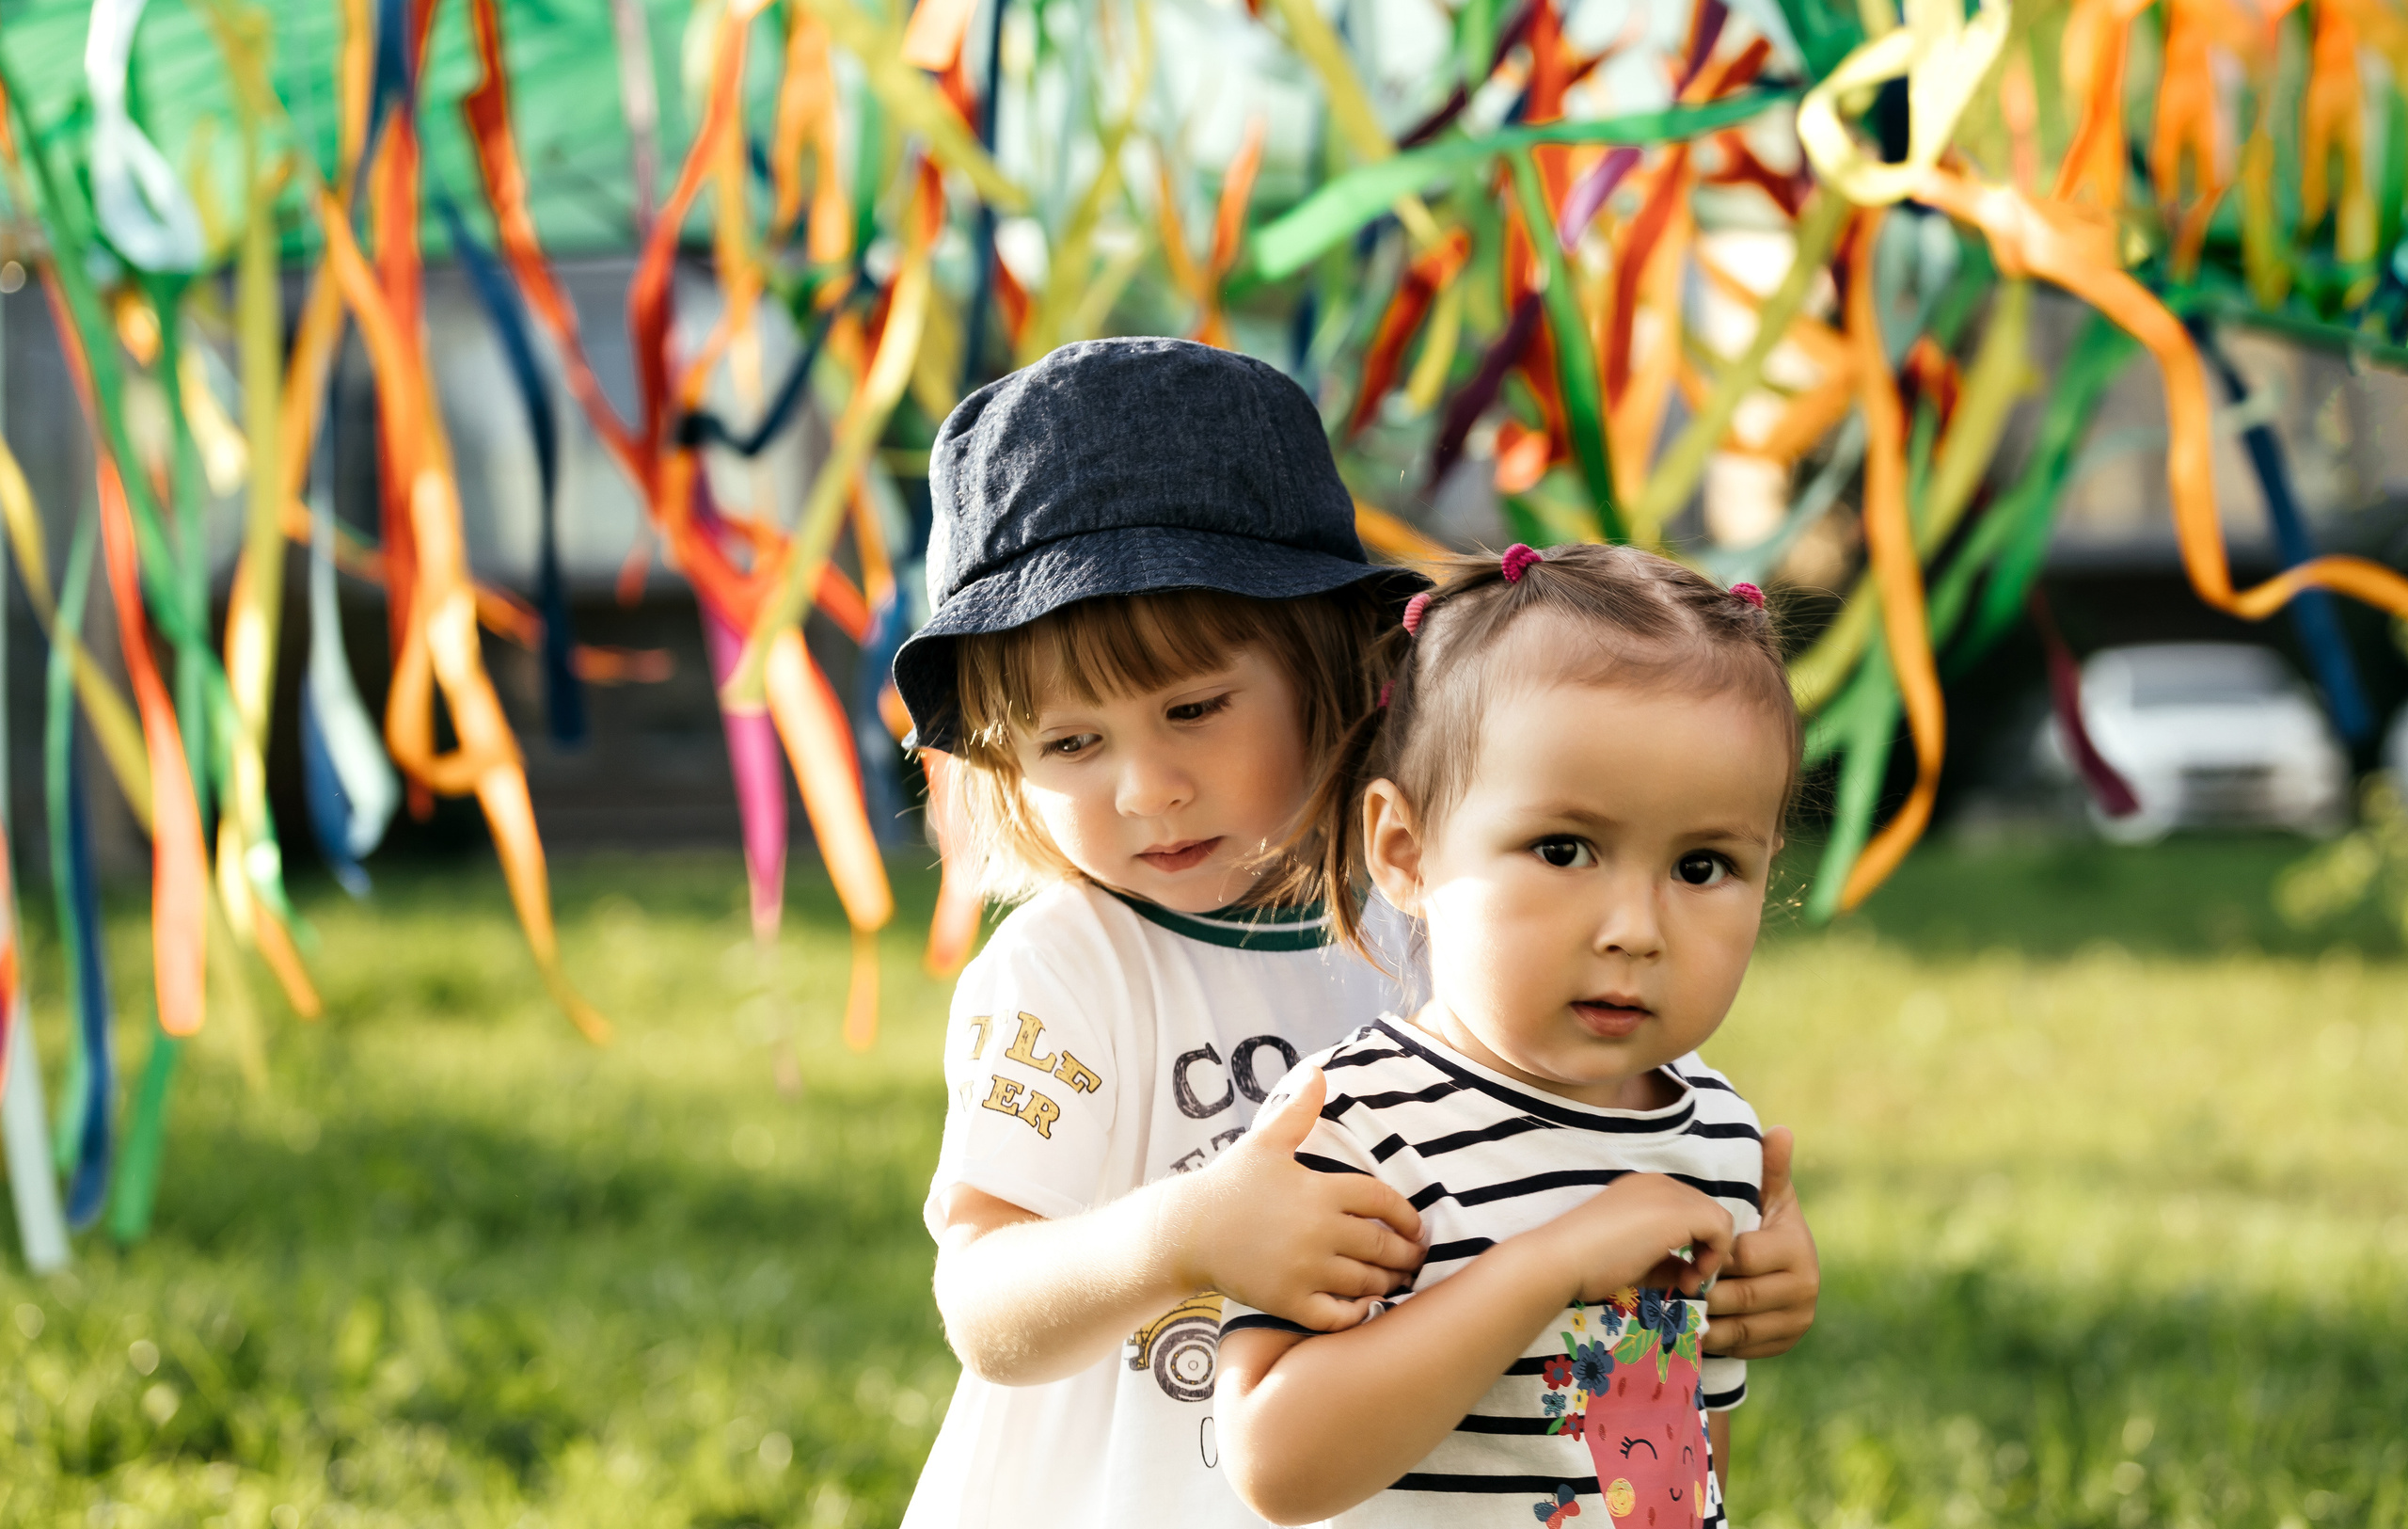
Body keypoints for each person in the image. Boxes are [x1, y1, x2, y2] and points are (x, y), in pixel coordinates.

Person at [890, 341, 1817, 1529]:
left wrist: (1731, 1249)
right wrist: (1185, 1235)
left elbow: (1600, 1179)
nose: (1145, 786)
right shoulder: (1067, 970)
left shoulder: (1450, 915)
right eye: (1072, 743)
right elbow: (983, 1308)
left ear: (1326, 659)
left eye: (1193, 708)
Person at [1216, 543, 1800, 1528]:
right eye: (1563, 848)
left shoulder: (1714, 1134)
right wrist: (1550, 1265)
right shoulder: (1354, 1122)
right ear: (1405, 853)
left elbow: (1674, 1471)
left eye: (1702, 865)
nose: (1635, 928)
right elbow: (1277, 1464)